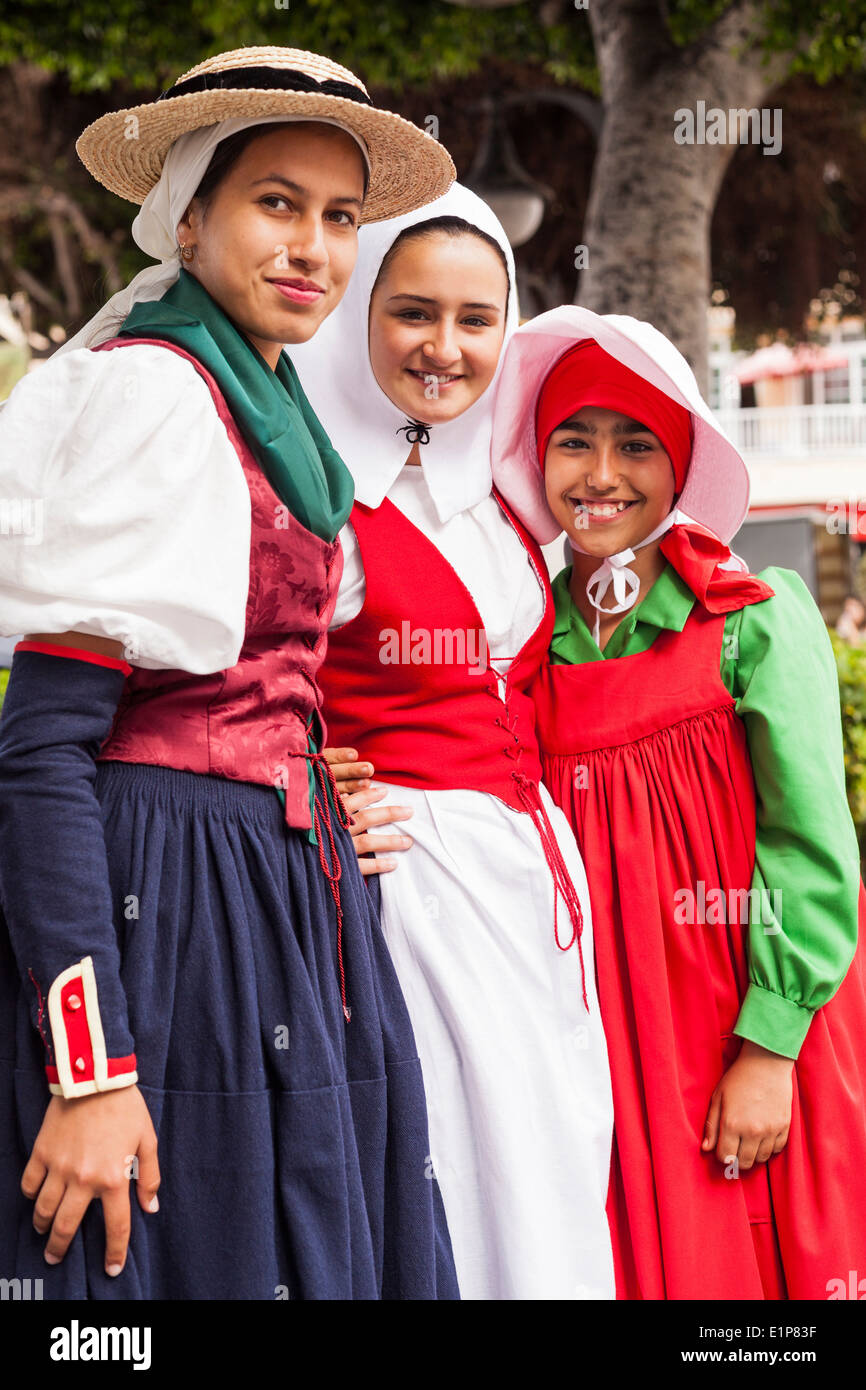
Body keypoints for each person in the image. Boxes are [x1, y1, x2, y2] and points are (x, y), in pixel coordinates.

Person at [0, 45, 459, 1301]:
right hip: (171, 912)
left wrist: (313, 779)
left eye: (340, 217)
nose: (312, 245)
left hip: (282, 902)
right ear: (189, 217)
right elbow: (41, 753)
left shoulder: (274, 409)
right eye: (275, 203)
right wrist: (89, 1068)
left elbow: (254, 682)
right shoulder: (154, 394)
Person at [489, 304, 866, 1299]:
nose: (600, 474)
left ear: (681, 461)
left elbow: (810, 844)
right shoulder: (525, 647)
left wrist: (768, 1046)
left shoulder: (751, 618)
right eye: (572, 441)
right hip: (606, 1047)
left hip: (743, 1025)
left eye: (635, 444)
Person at [290, 185, 615, 1301]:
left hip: (530, 874)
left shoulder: (501, 496)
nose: (445, 346)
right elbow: (233, 685)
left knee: (557, 1156)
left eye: (477, 320)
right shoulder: (323, 506)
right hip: (408, 884)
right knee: (464, 1176)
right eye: (412, 312)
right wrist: (307, 764)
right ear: (357, 317)